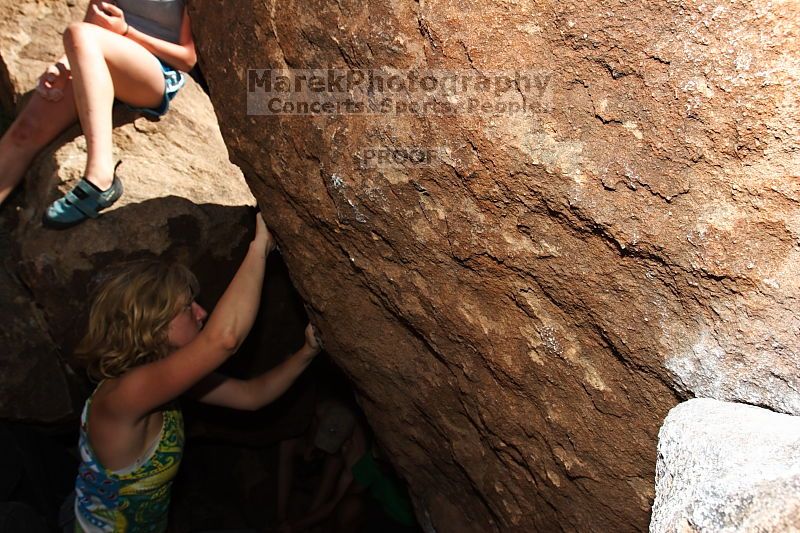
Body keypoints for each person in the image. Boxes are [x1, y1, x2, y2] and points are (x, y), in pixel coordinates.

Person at [71, 213, 321, 532]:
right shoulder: (128, 393)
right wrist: (260, 248)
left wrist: (306, 352)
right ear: (155, 326)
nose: (202, 313)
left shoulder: (160, 379)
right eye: (188, 307)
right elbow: (224, 339)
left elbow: (251, 396)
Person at [0, 0, 196, 227]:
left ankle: (100, 178)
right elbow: (95, 20)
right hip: (95, 55)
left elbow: (188, 59)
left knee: (79, 33)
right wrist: (64, 65)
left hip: (154, 71)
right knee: (25, 131)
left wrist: (126, 31)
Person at [277, 401, 419, 533]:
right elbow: (343, 500)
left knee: (349, 505)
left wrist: (298, 526)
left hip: (407, 522)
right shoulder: (320, 412)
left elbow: (334, 500)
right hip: (380, 508)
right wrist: (288, 521)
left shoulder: (359, 452)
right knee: (349, 506)